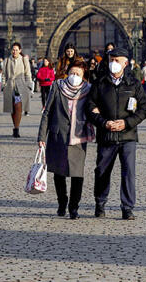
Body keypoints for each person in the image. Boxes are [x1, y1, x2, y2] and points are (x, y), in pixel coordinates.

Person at [87, 47, 146, 220]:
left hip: (127, 135)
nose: (113, 63)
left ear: (125, 63)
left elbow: (144, 108)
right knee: (102, 170)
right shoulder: (100, 83)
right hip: (106, 134)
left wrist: (126, 123)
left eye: (117, 60)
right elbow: (90, 108)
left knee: (128, 172)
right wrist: (104, 123)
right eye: (111, 60)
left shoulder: (134, 83)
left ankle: (127, 207)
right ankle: (100, 203)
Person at [38, 62, 96, 219]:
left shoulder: (88, 90)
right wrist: (42, 136)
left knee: (78, 173)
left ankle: (74, 207)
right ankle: (62, 202)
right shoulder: (57, 86)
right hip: (58, 135)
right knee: (59, 171)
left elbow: (93, 109)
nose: (74, 76)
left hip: (78, 136)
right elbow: (47, 112)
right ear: (67, 73)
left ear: (83, 77)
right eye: (72, 72)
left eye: (78, 74)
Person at [3, 42, 33, 138]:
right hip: (10, 86)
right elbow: (4, 74)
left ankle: (16, 128)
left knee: (18, 106)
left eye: (16, 50)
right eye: (13, 50)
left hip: (20, 86)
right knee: (12, 108)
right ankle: (15, 126)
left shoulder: (24, 60)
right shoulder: (7, 60)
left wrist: (29, 86)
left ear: (20, 50)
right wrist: (4, 85)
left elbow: (28, 73)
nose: (14, 51)